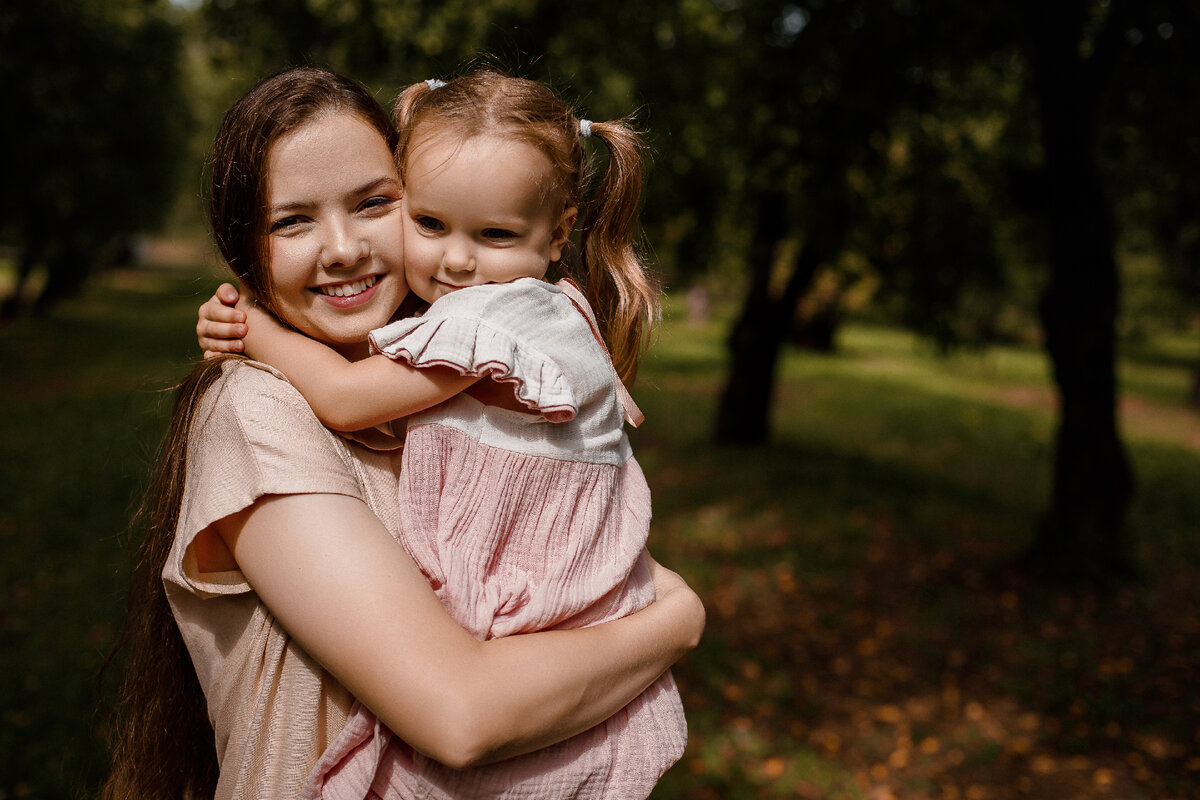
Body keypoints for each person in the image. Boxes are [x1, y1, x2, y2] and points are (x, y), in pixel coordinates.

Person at [104, 66, 704, 800]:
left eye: (374, 203)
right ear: (243, 250)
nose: (345, 249)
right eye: (292, 221)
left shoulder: (451, 381)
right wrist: (674, 620)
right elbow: (461, 716)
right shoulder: (257, 413)